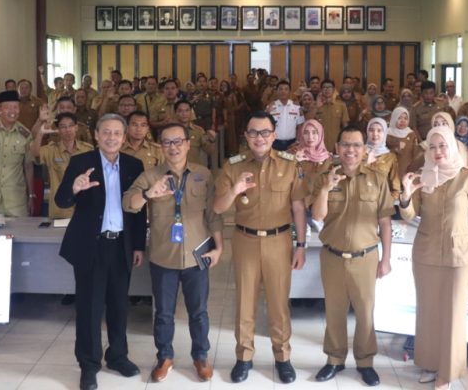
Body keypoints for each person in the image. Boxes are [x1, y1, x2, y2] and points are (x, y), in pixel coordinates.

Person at [123, 123, 223, 382]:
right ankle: (164, 356)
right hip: (163, 256)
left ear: (189, 144)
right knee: (164, 313)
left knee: (199, 311)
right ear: (160, 145)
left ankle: (200, 356)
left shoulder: (204, 174)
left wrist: (219, 247)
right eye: (167, 142)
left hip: (198, 254)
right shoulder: (151, 176)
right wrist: (147, 194)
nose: (174, 147)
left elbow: (213, 215)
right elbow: (129, 204)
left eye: (179, 141)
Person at [213, 112, 307, 384]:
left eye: (265, 132)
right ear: (246, 136)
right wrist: (235, 189)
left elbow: (298, 207)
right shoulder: (232, 166)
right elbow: (218, 207)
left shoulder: (290, 165)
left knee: (279, 303)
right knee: (245, 302)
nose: (259, 138)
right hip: (245, 241)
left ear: (274, 135)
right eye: (253, 132)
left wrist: (300, 246)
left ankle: (282, 357)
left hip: (280, 241)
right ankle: (244, 357)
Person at [55, 114, 146, 390]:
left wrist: (138, 245)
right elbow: (61, 200)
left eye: (117, 133)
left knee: (119, 305)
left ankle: (117, 356)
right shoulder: (81, 163)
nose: (111, 138)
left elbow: (138, 213)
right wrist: (75, 187)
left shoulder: (134, 165)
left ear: (124, 136)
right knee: (89, 308)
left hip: (121, 245)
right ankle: (89, 364)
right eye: (106, 132)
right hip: (90, 245)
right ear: (96, 135)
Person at [399, 126, 468, 390]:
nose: (438, 152)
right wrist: (405, 194)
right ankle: (430, 363)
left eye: (443, 145)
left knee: (452, 315)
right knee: (428, 312)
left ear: (452, 146)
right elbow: (409, 215)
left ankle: (446, 373)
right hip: (425, 253)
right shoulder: (422, 176)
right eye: (433, 146)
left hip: (460, 256)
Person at [310, 125, 392, 387]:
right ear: (337, 148)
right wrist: (326, 188)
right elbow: (318, 216)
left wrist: (386, 258)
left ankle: (365, 362)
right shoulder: (325, 175)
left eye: (356, 145)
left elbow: (385, 222)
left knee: (365, 312)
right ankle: (334, 359)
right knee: (334, 311)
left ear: (364, 149)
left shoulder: (377, 178)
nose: (350, 150)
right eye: (345, 145)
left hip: (366, 257)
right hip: (332, 257)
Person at [32, 112, 94, 219]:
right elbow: (35, 153)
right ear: (58, 130)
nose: (68, 130)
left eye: (71, 126)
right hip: (60, 209)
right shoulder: (52, 150)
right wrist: (40, 133)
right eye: (63, 127)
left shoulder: (87, 149)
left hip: (83, 207)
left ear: (76, 127)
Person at [364, 118, 401, 200]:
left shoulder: (390, 157)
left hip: (382, 203)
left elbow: (396, 187)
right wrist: (366, 163)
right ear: (367, 132)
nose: (375, 134)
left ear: (384, 133)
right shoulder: (359, 153)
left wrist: (387, 201)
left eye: (379, 130)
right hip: (361, 202)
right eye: (371, 130)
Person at [174, 100, 215, 167]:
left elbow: (209, 151)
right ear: (175, 113)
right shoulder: (168, 132)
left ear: (191, 112)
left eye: (187, 110)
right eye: (180, 111)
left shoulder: (198, 131)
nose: (184, 114)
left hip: (193, 170)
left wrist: (212, 140)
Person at [267, 80, 305, 151]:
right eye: (280, 89)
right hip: (274, 142)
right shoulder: (271, 107)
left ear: (290, 92)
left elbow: (300, 126)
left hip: (292, 143)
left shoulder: (296, 107)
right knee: (276, 162)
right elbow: (265, 125)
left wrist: (298, 141)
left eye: (286, 89)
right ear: (277, 91)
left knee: (291, 161)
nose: (283, 91)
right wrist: (267, 113)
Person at [386, 107, 421, 180]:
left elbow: (416, 153)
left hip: (406, 169)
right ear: (394, 118)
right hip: (390, 168)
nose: (403, 121)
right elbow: (383, 152)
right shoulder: (387, 134)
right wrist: (396, 148)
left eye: (405, 118)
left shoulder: (411, 134)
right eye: (399, 118)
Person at [316, 79, 350, 153]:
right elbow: (310, 123)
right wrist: (317, 108)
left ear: (334, 89)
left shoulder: (341, 105)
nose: (327, 89)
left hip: (336, 144)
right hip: (319, 145)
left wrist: (346, 142)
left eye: (329, 87)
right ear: (321, 90)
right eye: (324, 87)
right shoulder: (316, 106)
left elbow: (345, 126)